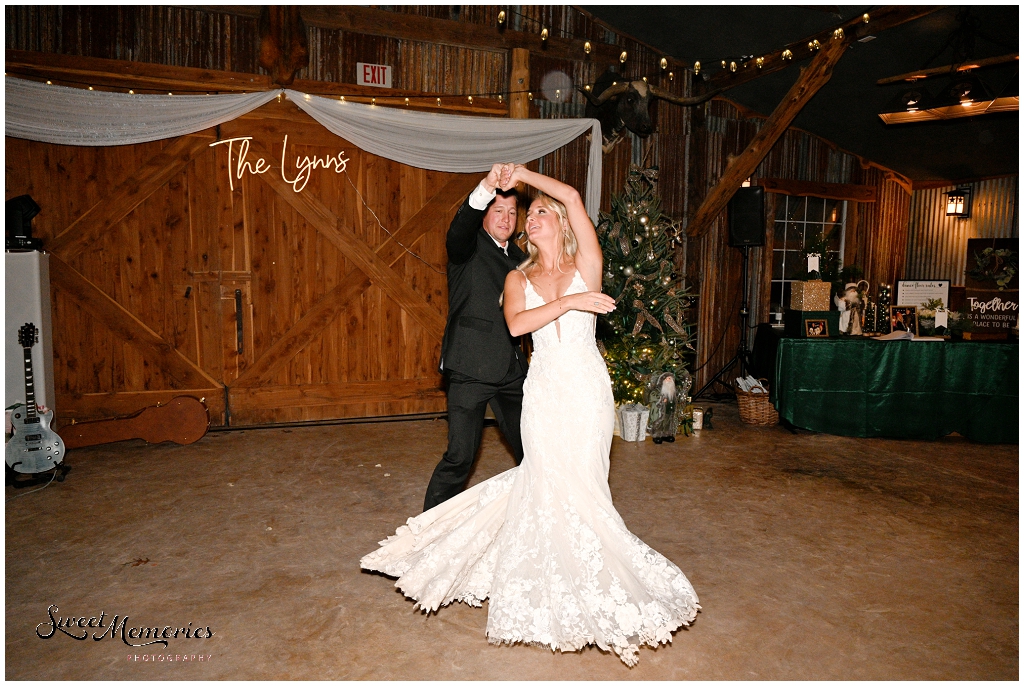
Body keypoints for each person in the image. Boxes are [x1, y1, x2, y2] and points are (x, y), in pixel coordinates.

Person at [362, 165, 700, 667]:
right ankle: (504, 559)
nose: (528, 219)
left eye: (537, 211)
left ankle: (588, 573)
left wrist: (521, 173)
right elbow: (518, 323)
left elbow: (570, 197)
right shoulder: (518, 276)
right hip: (541, 389)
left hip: (585, 390)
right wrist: (572, 302)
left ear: (562, 223)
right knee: (536, 476)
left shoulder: (589, 262)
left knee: (584, 482)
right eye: (527, 213)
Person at [422, 164, 528, 512]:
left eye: (512, 212)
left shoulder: (521, 259)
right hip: (470, 367)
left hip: (512, 372)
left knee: (533, 449)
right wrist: (486, 185)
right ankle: (428, 531)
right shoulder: (466, 247)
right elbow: (461, 226)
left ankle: (538, 522)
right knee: (460, 458)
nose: (506, 218)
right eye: (498, 210)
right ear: (484, 213)